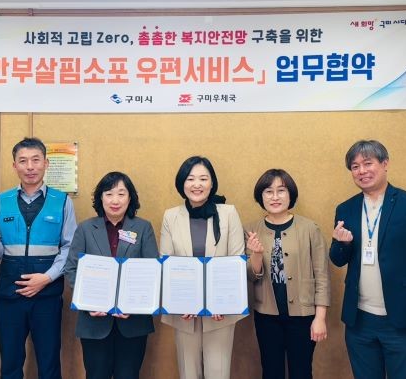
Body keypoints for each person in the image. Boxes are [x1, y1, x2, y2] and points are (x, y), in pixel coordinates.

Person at [330, 140, 406, 379]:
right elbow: (338, 260)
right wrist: (341, 243)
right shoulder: (346, 209)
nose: (362, 171)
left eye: (368, 163)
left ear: (385, 164)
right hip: (359, 320)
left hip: (402, 318)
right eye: (355, 166)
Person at [0, 137, 77, 379]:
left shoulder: (62, 201)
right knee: (10, 363)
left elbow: (69, 247)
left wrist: (47, 278)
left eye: (36, 160)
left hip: (47, 295)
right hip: (9, 295)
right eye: (23, 161)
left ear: (46, 163)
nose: (30, 167)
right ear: (14, 165)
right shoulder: (1, 201)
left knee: (49, 362)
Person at [65, 171, 159, 379]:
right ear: (100, 198)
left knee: (128, 375)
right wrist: (88, 302)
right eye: (109, 194)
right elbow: (71, 269)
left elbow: (153, 271)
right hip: (94, 322)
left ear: (130, 198)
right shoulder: (86, 228)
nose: (115, 200)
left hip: (133, 323)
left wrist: (134, 305)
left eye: (121, 194)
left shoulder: (143, 228)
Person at [160, 156, 245, 379]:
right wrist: (182, 301)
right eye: (190, 179)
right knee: (189, 373)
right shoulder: (171, 216)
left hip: (220, 312)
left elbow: (236, 261)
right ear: (182, 183)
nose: (196, 184)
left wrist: (221, 301)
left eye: (203, 178)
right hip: (184, 312)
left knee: (218, 373)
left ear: (212, 183)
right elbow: (167, 264)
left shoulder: (228, 213)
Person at [244, 169, 330, 379]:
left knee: (301, 371)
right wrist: (256, 254)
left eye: (281, 191)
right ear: (260, 197)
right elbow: (251, 276)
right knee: (271, 371)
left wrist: (320, 318)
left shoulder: (310, 228)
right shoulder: (251, 230)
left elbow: (322, 276)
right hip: (266, 315)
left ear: (290, 194)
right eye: (268, 191)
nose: (275, 197)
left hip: (303, 315)